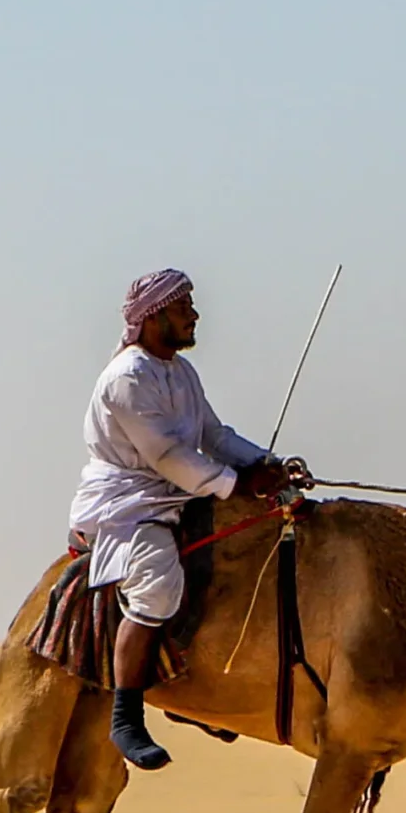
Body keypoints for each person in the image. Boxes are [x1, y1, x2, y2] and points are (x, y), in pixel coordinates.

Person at [71, 269, 304, 771]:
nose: (195, 316)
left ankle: (203, 686)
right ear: (154, 318)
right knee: (156, 584)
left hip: (179, 491)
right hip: (129, 503)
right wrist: (236, 484)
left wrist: (267, 464)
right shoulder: (128, 378)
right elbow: (168, 455)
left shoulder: (181, 373)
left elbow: (214, 436)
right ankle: (127, 715)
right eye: (184, 309)